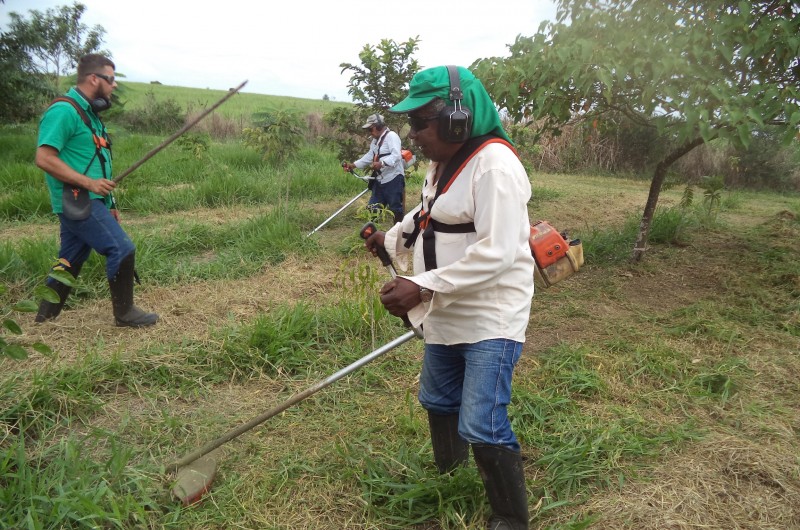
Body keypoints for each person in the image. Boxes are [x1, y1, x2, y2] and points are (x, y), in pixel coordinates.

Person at [363, 66, 534, 529]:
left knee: (481, 421)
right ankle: (451, 478)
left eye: (421, 123)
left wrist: (421, 286)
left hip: (489, 318)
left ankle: (509, 517)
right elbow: (429, 212)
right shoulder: (445, 164)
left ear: (459, 117)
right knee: (438, 400)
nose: (414, 135)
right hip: (447, 308)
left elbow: (498, 254)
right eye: (412, 124)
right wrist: (393, 239)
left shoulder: (495, 166)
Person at [34, 53, 158, 328]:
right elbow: (44, 158)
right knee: (122, 248)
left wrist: (109, 202)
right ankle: (125, 314)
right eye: (111, 79)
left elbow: (98, 164)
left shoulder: (89, 115)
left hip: (91, 200)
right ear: (94, 78)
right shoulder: (64, 111)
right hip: (78, 198)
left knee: (69, 260)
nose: (114, 85)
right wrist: (89, 185)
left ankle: (44, 317)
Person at [344, 113, 405, 224]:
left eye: (370, 129)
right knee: (373, 209)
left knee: (395, 209)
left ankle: (399, 234)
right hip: (380, 179)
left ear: (379, 126)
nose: (370, 133)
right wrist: (353, 165)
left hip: (393, 178)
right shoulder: (375, 141)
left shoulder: (391, 136)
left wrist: (381, 163)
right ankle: (371, 233)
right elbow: (369, 156)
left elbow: (396, 155)